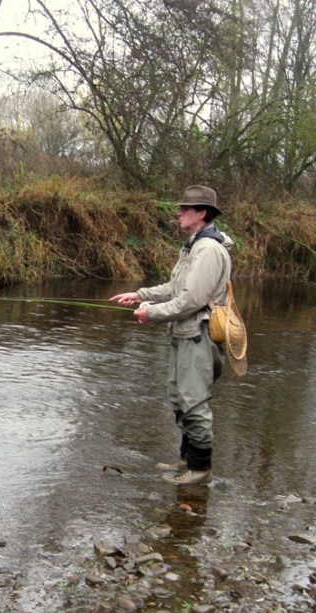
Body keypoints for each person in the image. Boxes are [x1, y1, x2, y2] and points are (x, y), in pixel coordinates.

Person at [110, 185, 233, 485]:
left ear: (201, 213)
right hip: (184, 333)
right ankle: (186, 462)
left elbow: (190, 300)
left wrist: (150, 313)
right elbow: (173, 289)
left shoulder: (208, 250)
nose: (178, 213)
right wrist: (139, 295)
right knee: (180, 399)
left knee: (194, 402)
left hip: (199, 336)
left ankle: (201, 470)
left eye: (185, 209)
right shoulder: (193, 246)